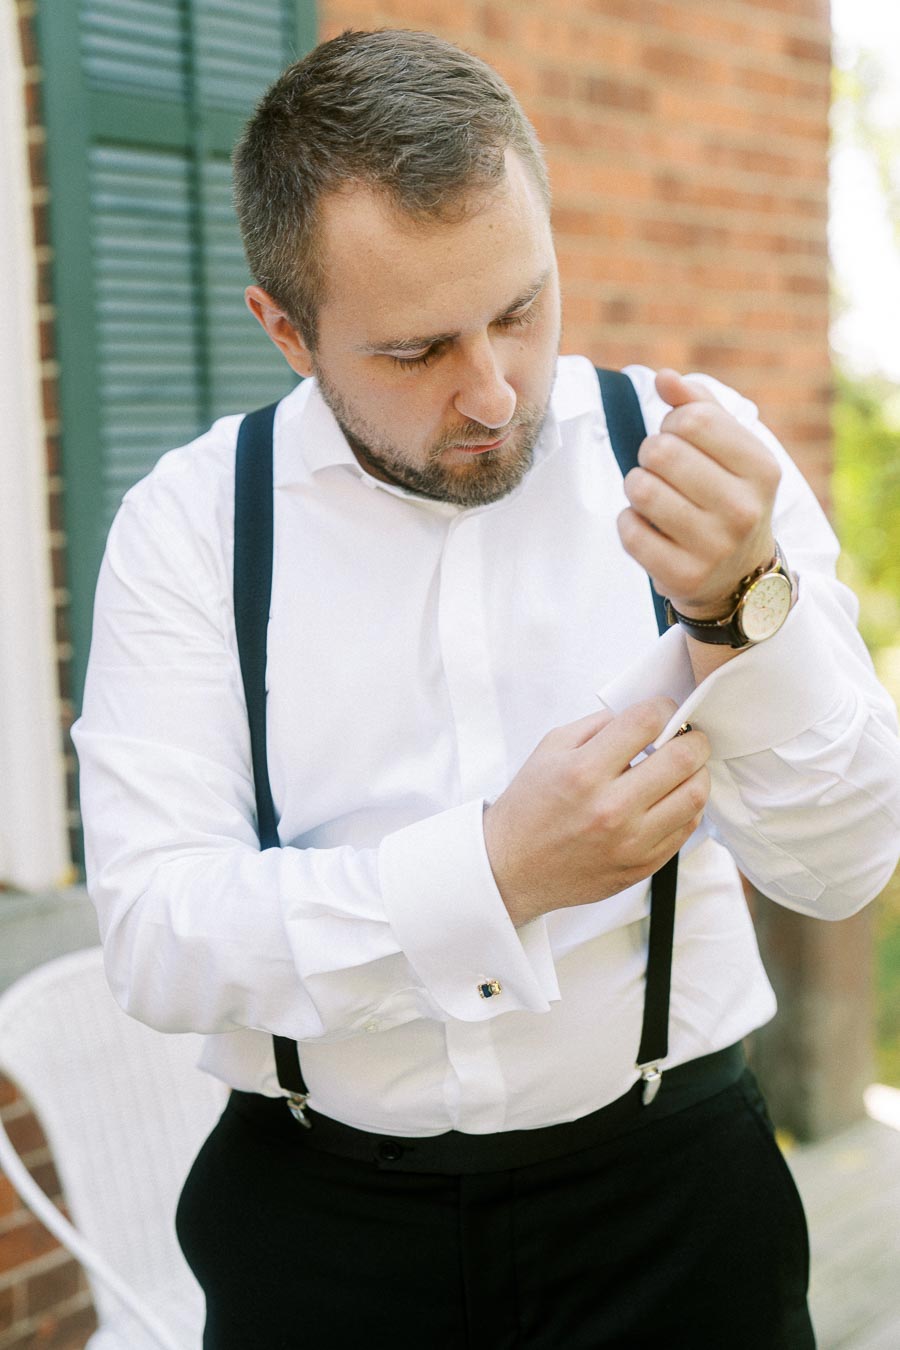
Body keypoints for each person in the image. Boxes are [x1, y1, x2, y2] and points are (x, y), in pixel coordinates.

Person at [72, 27, 900, 1350]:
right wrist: (497, 874)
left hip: (675, 1209)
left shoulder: (697, 466)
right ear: (285, 328)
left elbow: (844, 863)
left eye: (521, 307)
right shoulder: (188, 532)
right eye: (417, 351)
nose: (495, 391)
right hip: (321, 1234)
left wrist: (747, 611)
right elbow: (159, 930)